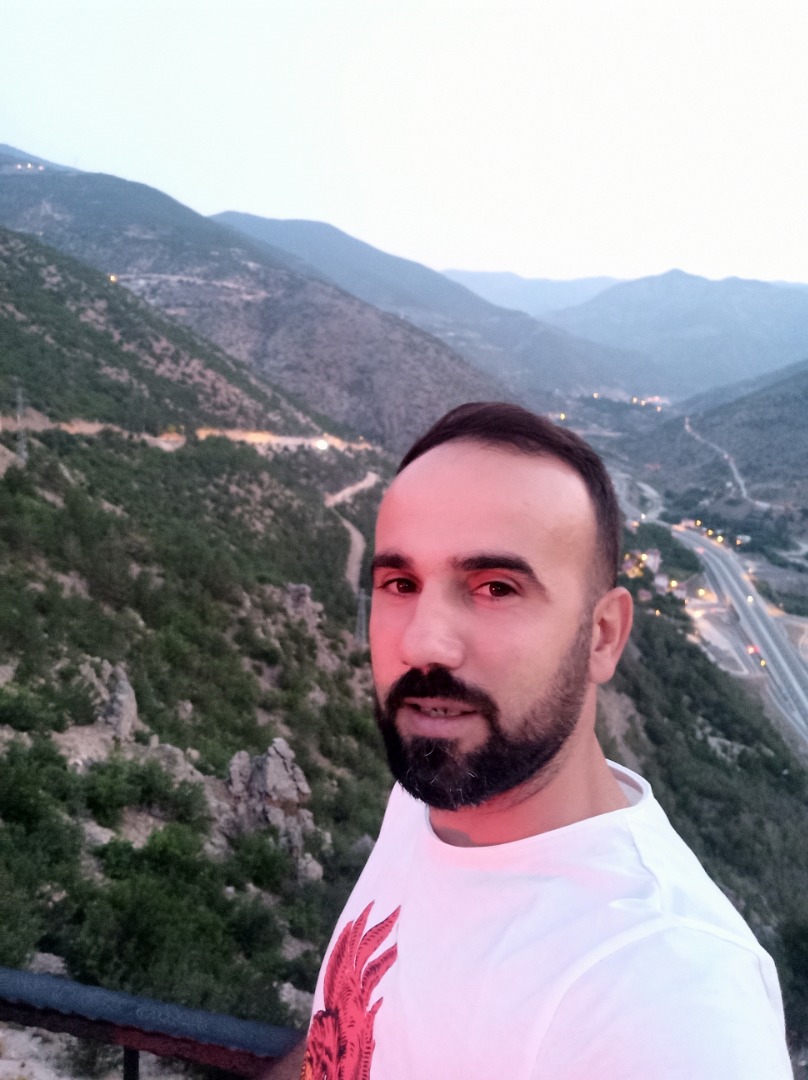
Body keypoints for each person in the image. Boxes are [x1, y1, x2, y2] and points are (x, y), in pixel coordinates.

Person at [296, 401, 792, 1080]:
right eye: (400, 583)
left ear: (602, 636)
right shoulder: (428, 797)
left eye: (496, 587)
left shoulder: (667, 1002)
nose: (423, 642)